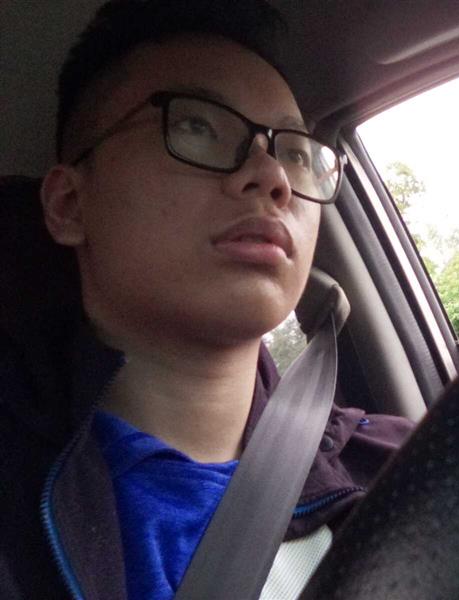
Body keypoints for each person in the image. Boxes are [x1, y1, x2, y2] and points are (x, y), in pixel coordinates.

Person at [0, 1, 414, 598]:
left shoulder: (406, 467)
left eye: (294, 153)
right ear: (69, 204)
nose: (272, 177)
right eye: (196, 126)